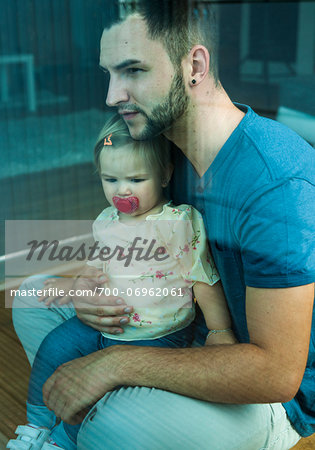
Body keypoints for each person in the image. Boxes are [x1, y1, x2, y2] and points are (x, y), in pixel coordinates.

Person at [12, 1, 315, 449]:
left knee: (115, 427)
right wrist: (92, 289)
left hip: (264, 389)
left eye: (132, 70)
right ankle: (86, 419)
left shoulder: (276, 182)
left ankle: (86, 422)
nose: (112, 95)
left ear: (194, 65)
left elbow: (275, 374)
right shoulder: (164, 146)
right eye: (108, 74)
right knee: (33, 296)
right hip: (177, 327)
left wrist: (117, 363)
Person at [8, 114, 236, 449]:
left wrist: (219, 331)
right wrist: (85, 285)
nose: (122, 190)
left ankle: (64, 440)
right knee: (53, 348)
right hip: (106, 325)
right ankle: (37, 425)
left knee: (107, 396)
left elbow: (203, 278)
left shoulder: (178, 223)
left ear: (165, 175)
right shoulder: (107, 220)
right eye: (110, 179)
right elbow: (96, 265)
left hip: (157, 336)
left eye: (136, 178)